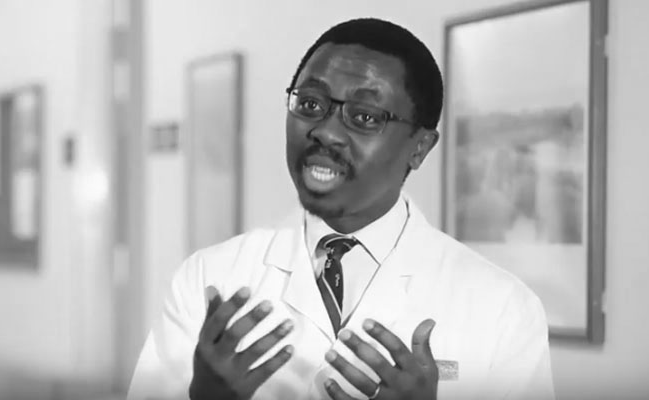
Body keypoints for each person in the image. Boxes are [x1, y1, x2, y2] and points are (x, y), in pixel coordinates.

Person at [127, 18, 555, 400]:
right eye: (311, 104)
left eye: (365, 117)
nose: (326, 132)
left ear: (420, 147)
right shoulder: (208, 279)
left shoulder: (503, 309)